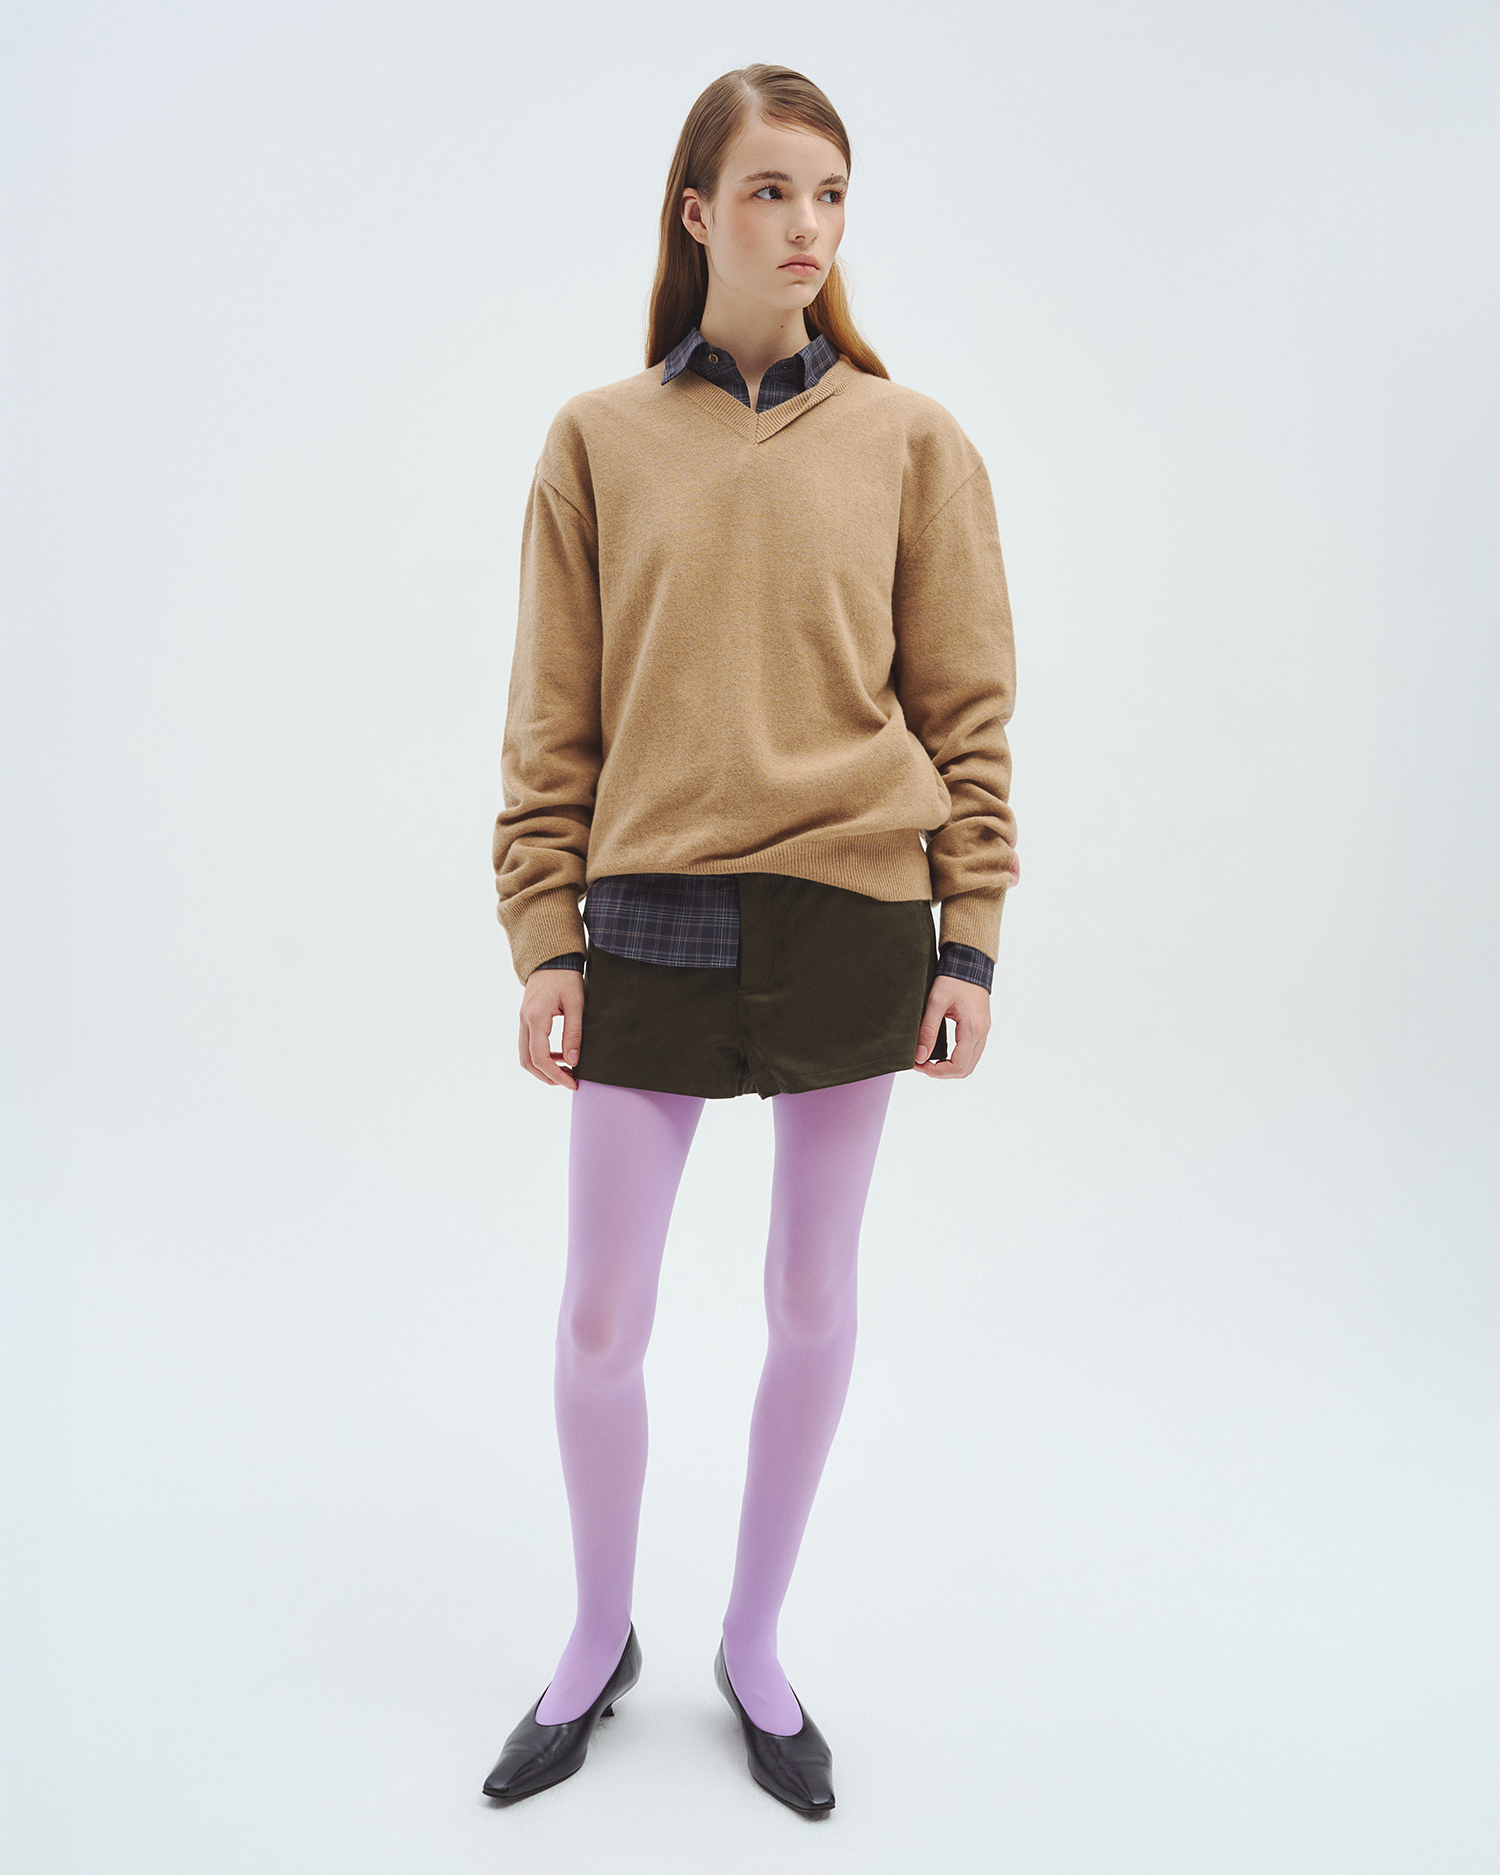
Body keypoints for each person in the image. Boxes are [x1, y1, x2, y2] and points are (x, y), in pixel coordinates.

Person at [482, 63, 1018, 1817]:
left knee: (811, 1296)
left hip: (855, 911)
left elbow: (967, 710)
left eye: (833, 193)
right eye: (775, 190)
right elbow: (551, 719)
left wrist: (970, 938)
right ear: (698, 211)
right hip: (645, 913)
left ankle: (757, 1642)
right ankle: (596, 1637)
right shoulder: (597, 439)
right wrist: (544, 934)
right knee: (598, 1319)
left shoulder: (913, 440)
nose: (809, 227)